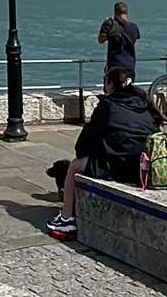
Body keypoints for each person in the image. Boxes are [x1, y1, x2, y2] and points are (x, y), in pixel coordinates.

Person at [45, 67, 159, 240]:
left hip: (118, 167)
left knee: (74, 166)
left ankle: (67, 218)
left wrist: (86, 153)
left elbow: (86, 138)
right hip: (141, 167)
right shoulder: (144, 104)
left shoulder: (107, 105)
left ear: (110, 84)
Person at [97, 1, 140, 77]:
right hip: (130, 66)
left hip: (115, 65)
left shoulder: (110, 25)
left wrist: (108, 29)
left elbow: (100, 40)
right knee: (128, 88)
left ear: (115, 12)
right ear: (127, 12)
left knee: (112, 88)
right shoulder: (134, 27)